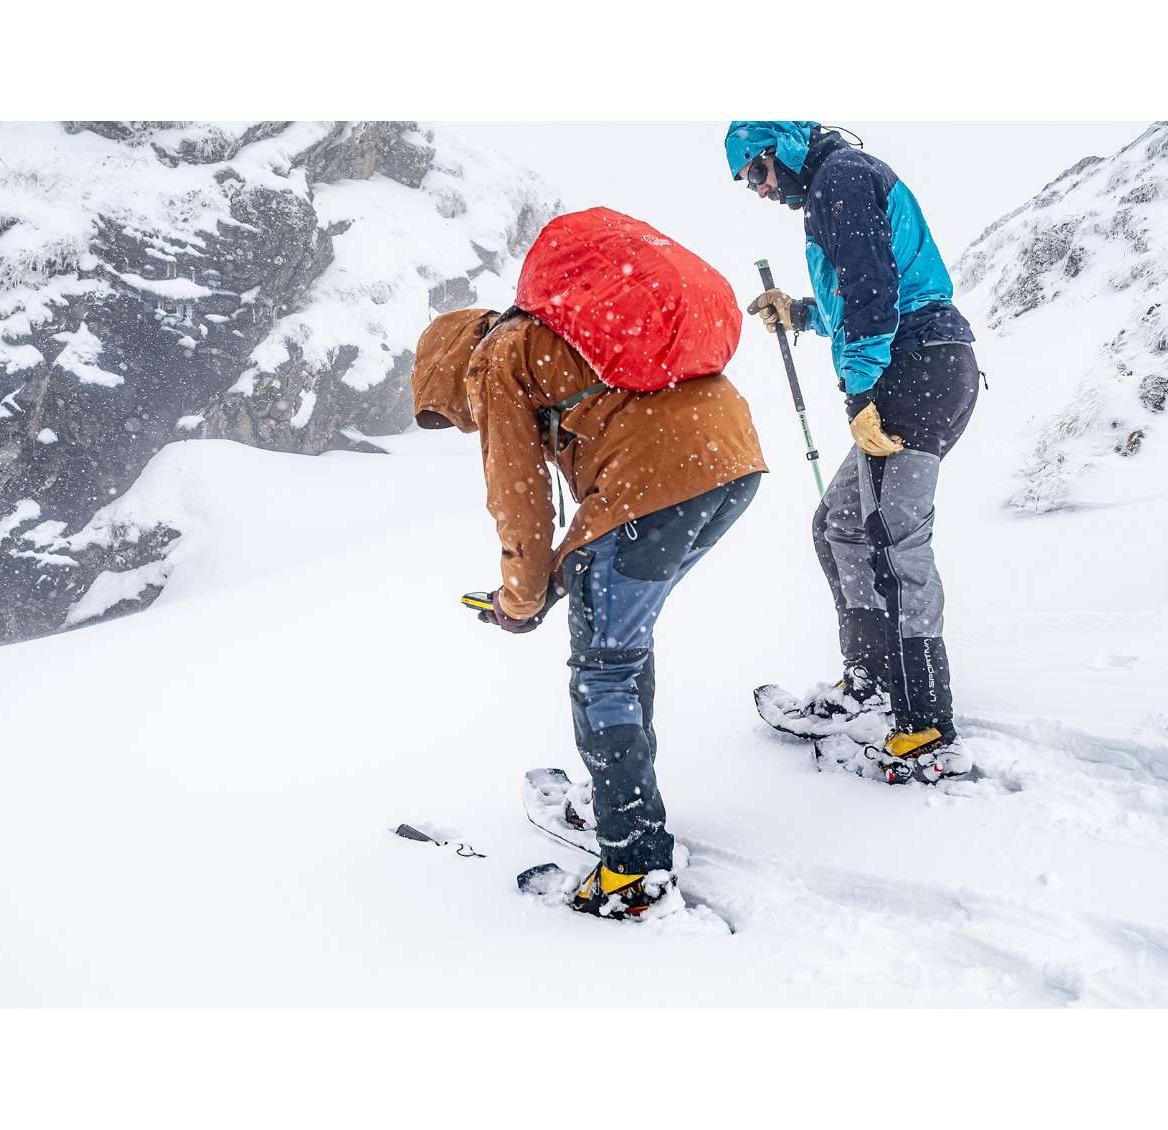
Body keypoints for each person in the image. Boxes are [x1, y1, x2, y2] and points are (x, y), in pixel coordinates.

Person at [411, 304, 765, 919]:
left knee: (604, 670)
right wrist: (554, 584)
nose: (464, 420)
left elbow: (519, 497)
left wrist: (520, 601)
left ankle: (633, 868)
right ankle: (620, 802)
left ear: (448, 364)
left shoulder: (492, 360)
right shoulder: (553, 330)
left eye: (453, 411)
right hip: (728, 459)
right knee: (621, 645)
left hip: (656, 478)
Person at [728, 121, 981, 784]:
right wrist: (802, 315)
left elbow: (874, 293)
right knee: (840, 523)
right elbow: (856, 298)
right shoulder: (836, 186)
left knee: (894, 541)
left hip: (916, 369)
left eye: (756, 173)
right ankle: (870, 679)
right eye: (748, 184)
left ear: (780, 149)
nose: (760, 191)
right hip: (918, 365)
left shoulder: (840, 179)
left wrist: (860, 392)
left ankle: (928, 725)